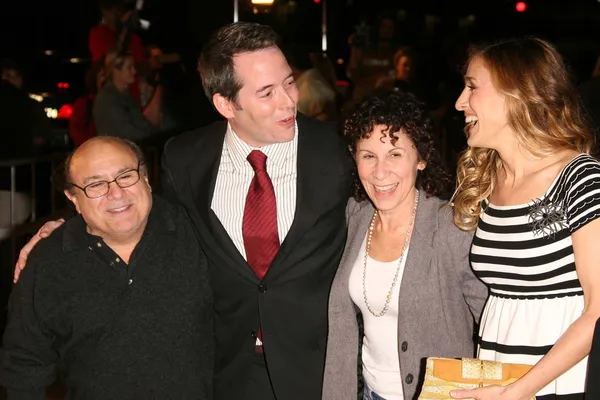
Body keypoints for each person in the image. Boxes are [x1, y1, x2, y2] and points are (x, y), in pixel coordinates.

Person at [15, 22, 353, 400]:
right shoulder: (188, 157)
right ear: (226, 103)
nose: (289, 101)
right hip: (229, 370)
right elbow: (148, 216)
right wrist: (67, 230)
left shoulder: (340, 150)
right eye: (267, 92)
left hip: (323, 367)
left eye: (289, 82)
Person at [1, 136, 213, 399]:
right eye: (96, 185)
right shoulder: (48, 263)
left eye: (125, 176)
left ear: (145, 178)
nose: (116, 193)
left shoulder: (200, 234)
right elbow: (24, 365)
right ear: (74, 198)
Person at [450, 37, 600, 400]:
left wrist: (520, 390)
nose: (459, 103)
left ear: (516, 92)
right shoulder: (489, 178)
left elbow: (598, 311)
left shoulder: (579, 177)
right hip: (498, 378)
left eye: (472, 87)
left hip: (557, 386)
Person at [322, 92, 487, 400]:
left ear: (421, 158)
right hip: (369, 393)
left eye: (395, 154)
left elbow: (494, 319)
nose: (380, 172)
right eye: (368, 155)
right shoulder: (356, 216)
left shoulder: (451, 228)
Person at [93, 50, 163, 141]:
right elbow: (127, 134)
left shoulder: (125, 95)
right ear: (116, 71)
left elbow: (142, 123)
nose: (134, 71)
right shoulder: (107, 99)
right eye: (129, 67)